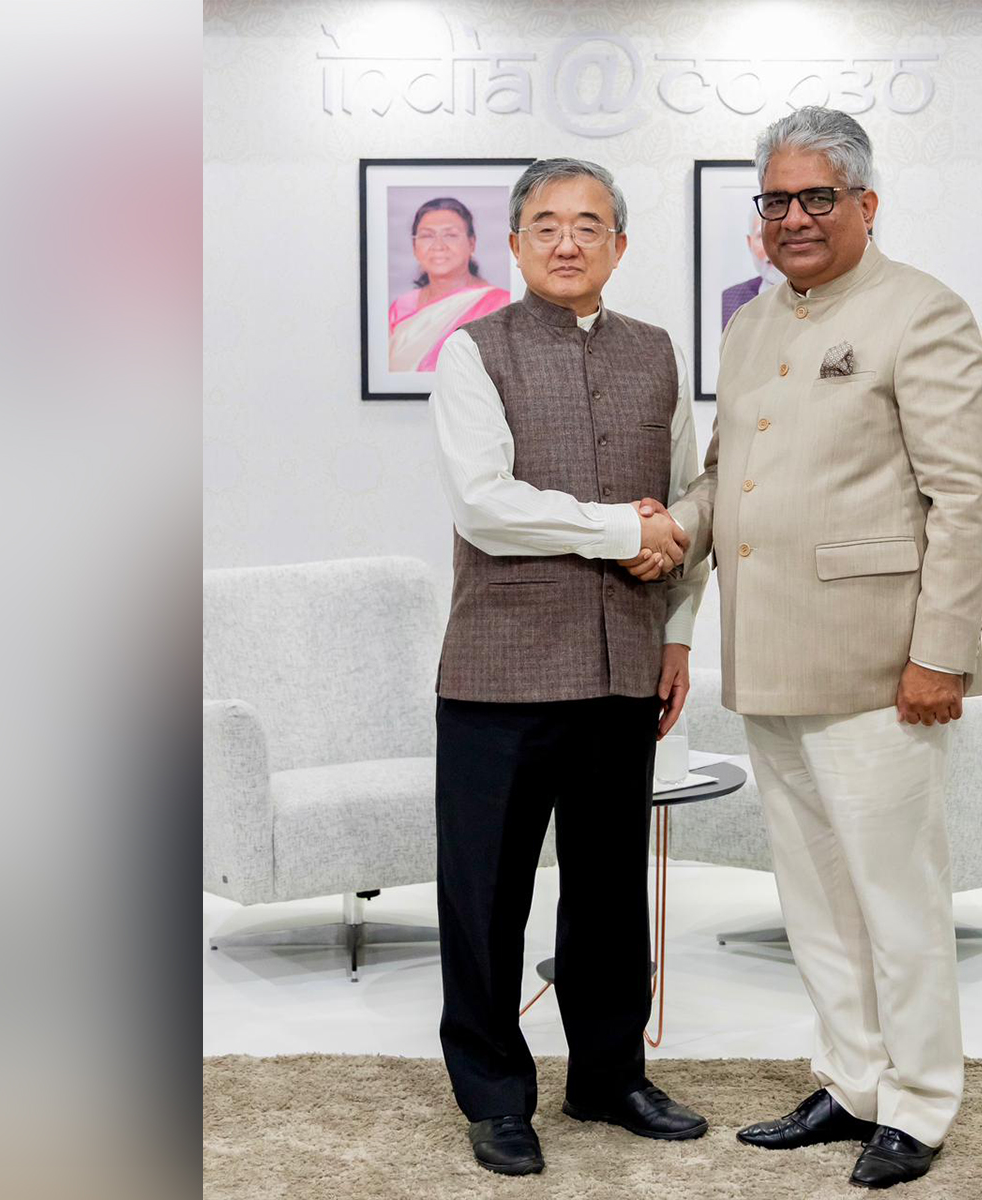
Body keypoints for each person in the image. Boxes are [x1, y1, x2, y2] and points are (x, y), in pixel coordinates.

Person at [667, 107, 982, 1190]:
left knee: (896, 900)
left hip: (879, 668)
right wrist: (665, 531)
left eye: (818, 197)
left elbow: (964, 497)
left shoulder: (922, 311)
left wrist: (941, 653)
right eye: (776, 200)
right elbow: (725, 478)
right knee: (813, 896)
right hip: (769, 658)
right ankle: (853, 1081)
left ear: (866, 203)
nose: (795, 218)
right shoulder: (750, 322)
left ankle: (921, 1102)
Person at [428, 157, 711, 1178]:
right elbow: (485, 504)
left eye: (588, 224)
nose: (565, 241)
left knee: (608, 893)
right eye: (544, 224)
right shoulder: (473, 351)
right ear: (513, 244)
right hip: (497, 674)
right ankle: (494, 1096)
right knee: (485, 898)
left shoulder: (656, 352)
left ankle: (607, 1076)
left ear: (618, 246)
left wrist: (678, 634)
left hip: (624, 663)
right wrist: (617, 528)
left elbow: (688, 499)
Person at [388, 196, 511, 372]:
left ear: (472, 243)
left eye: (450, 235)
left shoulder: (501, 304)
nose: (438, 246)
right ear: (414, 247)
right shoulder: (401, 307)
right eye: (427, 235)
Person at [719, 211, 785, 330]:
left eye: (782, 235)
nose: (771, 248)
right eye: (762, 236)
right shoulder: (729, 300)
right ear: (750, 243)